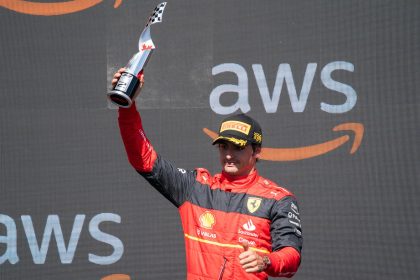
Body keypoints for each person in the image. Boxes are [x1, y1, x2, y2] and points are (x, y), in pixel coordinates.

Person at [112, 68, 303, 279]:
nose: (229, 155)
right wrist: (127, 107)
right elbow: (144, 159)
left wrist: (266, 260)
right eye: (223, 147)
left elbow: (291, 256)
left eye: (237, 148)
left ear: (257, 151)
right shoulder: (195, 188)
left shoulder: (278, 199)